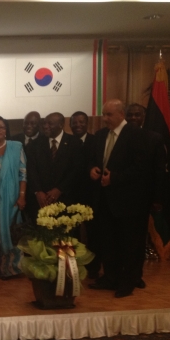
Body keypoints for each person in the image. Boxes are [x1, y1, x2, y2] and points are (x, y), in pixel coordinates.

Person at [88, 99, 149, 298]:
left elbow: (141, 168)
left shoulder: (136, 134)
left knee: (128, 244)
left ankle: (127, 282)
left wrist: (114, 178)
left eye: (109, 115)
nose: (105, 118)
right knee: (108, 242)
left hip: (128, 201)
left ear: (121, 114)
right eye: (104, 114)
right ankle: (110, 277)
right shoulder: (100, 135)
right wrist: (93, 170)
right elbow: (94, 160)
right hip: (104, 199)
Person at [126, 103, 167, 288]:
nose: (133, 118)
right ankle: (118, 274)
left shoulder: (154, 138)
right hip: (117, 197)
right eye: (130, 115)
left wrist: (157, 198)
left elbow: (159, 171)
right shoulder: (117, 137)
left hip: (141, 198)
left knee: (137, 239)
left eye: (137, 115)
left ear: (143, 117)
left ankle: (135, 276)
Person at [0, 116, 27, 278]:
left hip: (10, 199)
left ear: (6, 130)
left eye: (2, 127)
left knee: (6, 232)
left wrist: (22, 196)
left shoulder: (16, 148)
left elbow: (23, 174)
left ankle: (11, 268)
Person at [27, 112, 84, 216]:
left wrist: (60, 189)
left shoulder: (75, 143)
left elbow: (76, 170)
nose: (45, 126)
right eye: (44, 123)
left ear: (61, 125)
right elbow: (31, 170)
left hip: (65, 200)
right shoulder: (35, 144)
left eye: (50, 124)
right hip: (41, 201)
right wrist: (38, 191)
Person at [70, 110, 100, 277]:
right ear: (70, 125)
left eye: (81, 122)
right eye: (74, 122)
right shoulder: (67, 142)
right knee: (72, 233)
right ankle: (73, 267)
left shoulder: (96, 141)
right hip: (71, 196)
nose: (78, 125)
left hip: (91, 195)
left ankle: (94, 268)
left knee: (93, 233)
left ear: (87, 124)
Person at [11, 111, 45, 220]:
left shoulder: (45, 141)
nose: (29, 126)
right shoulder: (13, 140)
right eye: (26, 123)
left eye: (33, 123)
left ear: (39, 125)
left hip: (38, 192)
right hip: (16, 190)